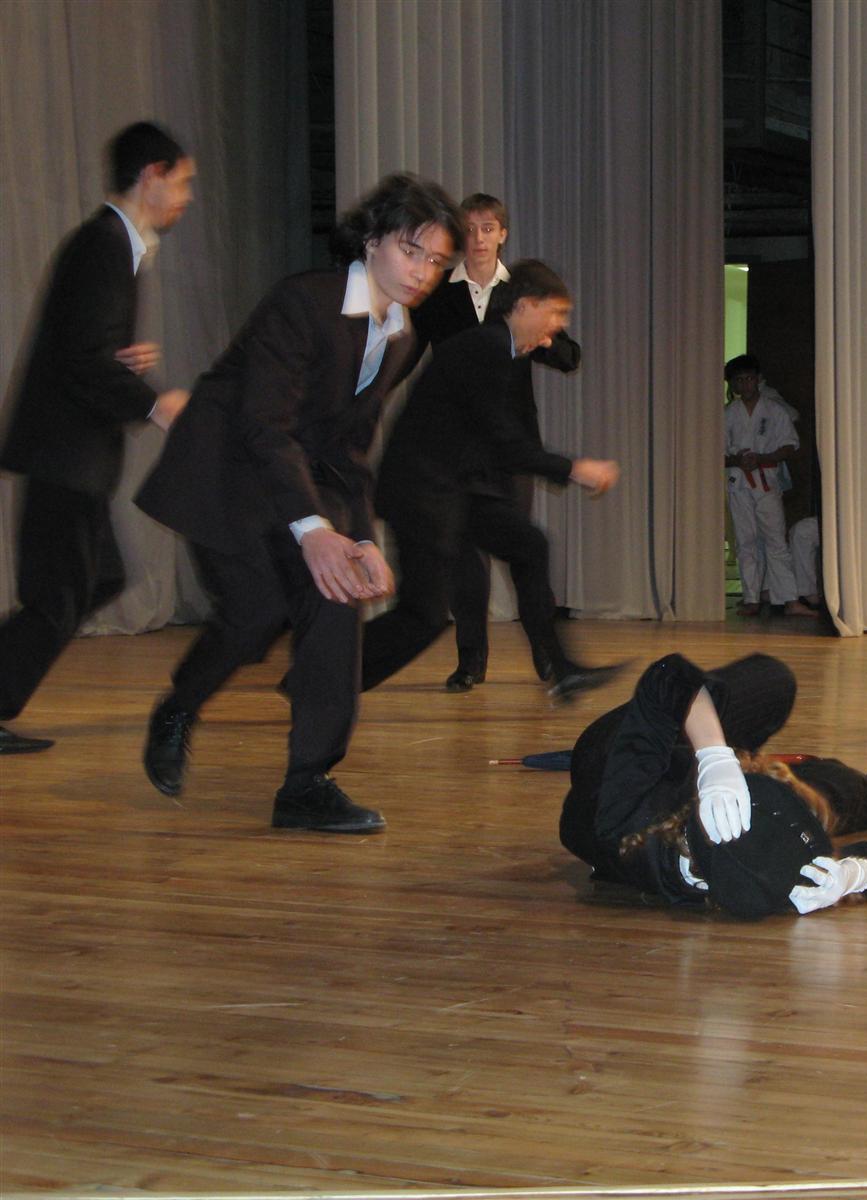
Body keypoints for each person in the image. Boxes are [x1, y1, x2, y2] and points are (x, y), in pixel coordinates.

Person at [134, 173, 464, 833]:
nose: (423, 272)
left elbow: (351, 448)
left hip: (293, 476)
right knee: (254, 616)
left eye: (436, 262)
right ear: (371, 240)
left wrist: (360, 539)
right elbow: (263, 426)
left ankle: (308, 783)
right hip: (225, 473)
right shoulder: (303, 301)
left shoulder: (399, 336)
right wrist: (314, 530)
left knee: (337, 592)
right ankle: (179, 706)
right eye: (411, 251)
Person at [0, 121, 195, 755]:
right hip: (64, 454)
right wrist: (155, 403)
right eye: (182, 182)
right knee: (59, 595)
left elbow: (82, 347)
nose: (187, 197)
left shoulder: (114, 245)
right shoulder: (105, 244)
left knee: (98, 580)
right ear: (152, 176)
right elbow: (81, 358)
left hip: (73, 454)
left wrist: (121, 363)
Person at [360, 259, 622, 703]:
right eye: (556, 312)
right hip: (422, 493)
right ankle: (321, 675)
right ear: (524, 306)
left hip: (457, 488)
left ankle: (561, 670)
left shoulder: (497, 348)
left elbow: (489, 438)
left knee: (528, 545)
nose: (559, 325)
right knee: (424, 615)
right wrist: (574, 468)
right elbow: (504, 441)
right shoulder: (484, 347)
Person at [560, 653, 867, 917]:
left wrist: (714, 757)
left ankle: (720, 745)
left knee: (773, 680)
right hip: (688, 787)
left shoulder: (622, 811)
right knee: (829, 798)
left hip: (613, 756)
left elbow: (670, 675)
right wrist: (855, 876)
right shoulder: (768, 875)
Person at [410, 193, 583, 692]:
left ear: (503, 234)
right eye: (470, 229)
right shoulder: (439, 294)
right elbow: (408, 355)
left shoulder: (521, 292)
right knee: (466, 559)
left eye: (488, 228)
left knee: (522, 551)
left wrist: (546, 337)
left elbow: (569, 357)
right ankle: (471, 660)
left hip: (511, 444)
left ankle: (547, 657)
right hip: (457, 448)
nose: (479, 238)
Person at [723, 355, 813, 617]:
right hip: (738, 481)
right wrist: (737, 460)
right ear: (734, 385)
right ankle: (751, 598)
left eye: (749, 378)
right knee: (745, 541)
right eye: (740, 380)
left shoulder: (774, 410)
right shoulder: (728, 414)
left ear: (758, 380)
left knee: (775, 539)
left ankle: (790, 600)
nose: (745, 384)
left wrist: (764, 457)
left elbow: (789, 445)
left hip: (767, 481)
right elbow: (718, 451)